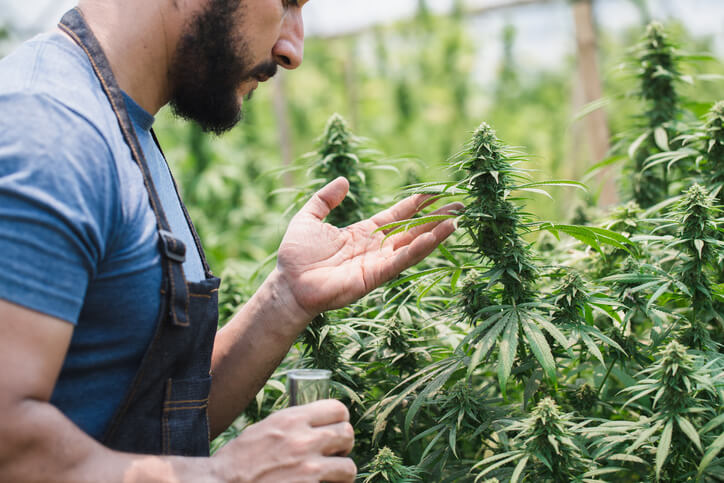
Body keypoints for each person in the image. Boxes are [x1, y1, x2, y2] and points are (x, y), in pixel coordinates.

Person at [0, 0, 461, 481]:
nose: (292, 50)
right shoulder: (47, 132)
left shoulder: (120, 124)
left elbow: (157, 413)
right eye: (286, 3)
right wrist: (224, 476)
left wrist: (285, 298)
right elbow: (9, 442)